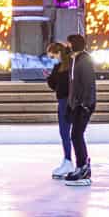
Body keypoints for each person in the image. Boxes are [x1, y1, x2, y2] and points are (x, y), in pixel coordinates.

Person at [64, 34, 97, 187]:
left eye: (69, 43)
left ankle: (83, 166)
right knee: (75, 135)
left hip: (83, 105)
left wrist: (85, 104)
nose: (67, 46)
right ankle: (81, 165)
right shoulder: (74, 60)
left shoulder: (84, 61)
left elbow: (88, 84)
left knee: (76, 135)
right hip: (75, 104)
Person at [45, 40, 74, 178]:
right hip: (70, 101)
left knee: (65, 133)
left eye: (52, 56)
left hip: (65, 102)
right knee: (70, 134)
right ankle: (69, 160)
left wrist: (49, 78)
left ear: (58, 53)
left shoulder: (63, 68)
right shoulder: (69, 66)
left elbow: (57, 86)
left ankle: (69, 160)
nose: (52, 59)